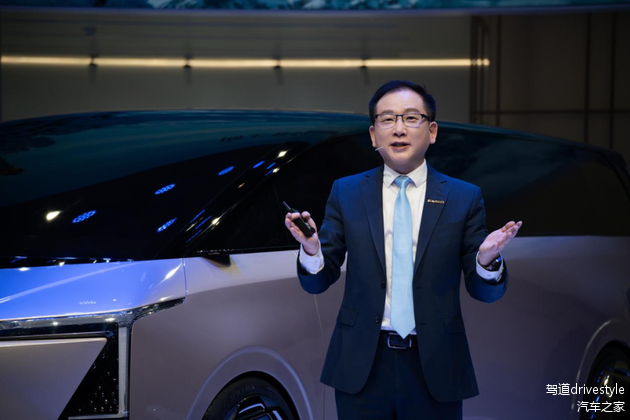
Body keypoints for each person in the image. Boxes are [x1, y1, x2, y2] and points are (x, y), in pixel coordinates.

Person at [284, 80, 522, 420]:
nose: (398, 129)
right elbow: (318, 282)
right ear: (373, 135)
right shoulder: (347, 192)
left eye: (411, 118)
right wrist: (311, 251)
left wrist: (486, 260)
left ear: (432, 131)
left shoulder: (463, 197)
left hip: (435, 364)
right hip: (361, 364)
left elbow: (485, 293)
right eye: (387, 119)